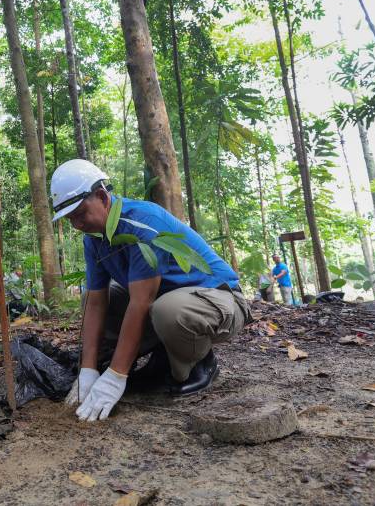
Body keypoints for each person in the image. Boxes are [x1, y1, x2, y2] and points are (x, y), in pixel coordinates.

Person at [50, 159, 250, 422]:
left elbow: (141, 302)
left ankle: (200, 362)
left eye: (81, 214)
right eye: (71, 219)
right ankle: (160, 358)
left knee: (167, 311)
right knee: (97, 297)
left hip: (219, 298)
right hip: (162, 300)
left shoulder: (143, 223)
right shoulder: (94, 240)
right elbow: (96, 303)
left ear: (102, 197)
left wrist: (116, 376)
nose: (77, 224)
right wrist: (87, 369)